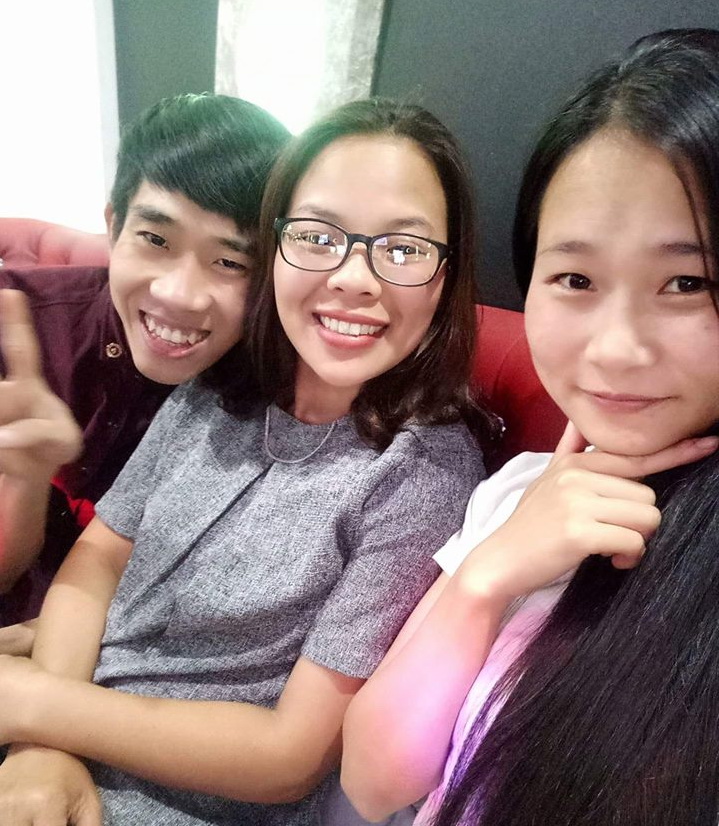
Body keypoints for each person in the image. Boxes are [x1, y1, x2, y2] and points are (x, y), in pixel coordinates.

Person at [0, 98, 492, 825]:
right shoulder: (217, 390)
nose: (355, 277)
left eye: (403, 248)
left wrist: (37, 707)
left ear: (446, 275)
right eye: (318, 236)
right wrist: (41, 749)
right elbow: (99, 558)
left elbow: (288, 759)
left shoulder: (420, 472)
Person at [341, 28, 719, 826]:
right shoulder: (520, 491)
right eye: (574, 278)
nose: (614, 349)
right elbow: (374, 783)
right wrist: (487, 578)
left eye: (686, 282)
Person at [0, 93, 290, 634]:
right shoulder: (18, 326)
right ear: (114, 227)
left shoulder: (274, 396)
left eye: (230, 262)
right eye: (155, 239)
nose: (179, 294)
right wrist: (24, 485)